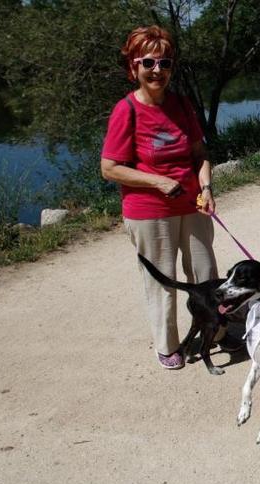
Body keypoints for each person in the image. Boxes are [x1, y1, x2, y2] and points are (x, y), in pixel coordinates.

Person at [100, 25, 221, 370]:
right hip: (149, 211)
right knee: (162, 280)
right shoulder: (127, 111)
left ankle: (213, 329)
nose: (157, 70)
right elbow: (109, 168)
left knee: (206, 273)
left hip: (192, 204)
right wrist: (157, 182)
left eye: (164, 63)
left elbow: (201, 154)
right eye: (149, 62)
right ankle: (168, 345)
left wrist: (207, 188)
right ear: (134, 67)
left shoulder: (181, 105)